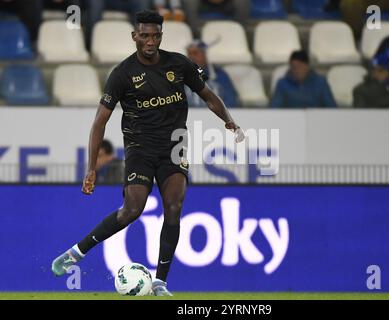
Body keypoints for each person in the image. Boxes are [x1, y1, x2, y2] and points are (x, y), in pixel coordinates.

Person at [51, 10, 245, 296]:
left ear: (161, 36)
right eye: (144, 36)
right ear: (135, 37)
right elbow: (99, 123)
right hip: (140, 148)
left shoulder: (179, 64)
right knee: (133, 209)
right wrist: (91, 169)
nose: (150, 41)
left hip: (174, 147)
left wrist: (228, 120)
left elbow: (208, 96)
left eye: (155, 35)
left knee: (174, 207)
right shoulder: (121, 74)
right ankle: (77, 252)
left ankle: (160, 282)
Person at [271, 50, 337, 108]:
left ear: (307, 66)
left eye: (300, 66)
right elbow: (275, 108)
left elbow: (331, 107)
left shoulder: (321, 83)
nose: (296, 70)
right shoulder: (283, 84)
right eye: (293, 67)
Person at [185, 39, 239, 108]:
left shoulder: (220, 75)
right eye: (189, 54)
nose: (191, 57)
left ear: (205, 55)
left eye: (195, 53)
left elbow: (231, 101)